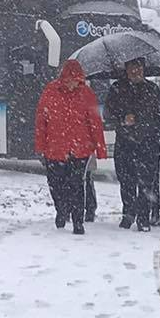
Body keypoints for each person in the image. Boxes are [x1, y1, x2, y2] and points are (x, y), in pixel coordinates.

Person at [34, 59, 107, 235]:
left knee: (77, 185)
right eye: (69, 79)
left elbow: (95, 122)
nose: (72, 84)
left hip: (80, 149)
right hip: (55, 148)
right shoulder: (51, 91)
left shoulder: (86, 93)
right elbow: (41, 121)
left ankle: (77, 221)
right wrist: (40, 146)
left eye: (75, 80)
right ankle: (61, 210)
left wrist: (100, 148)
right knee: (56, 183)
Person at [104, 57, 160, 232]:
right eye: (132, 68)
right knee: (126, 181)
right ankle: (128, 213)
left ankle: (144, 217)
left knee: (147, 183)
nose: (135, 71)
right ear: (126, 69)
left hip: (148, 144)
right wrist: (123, 120)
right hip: (125, 143)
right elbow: (108, 115)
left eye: (138, 68)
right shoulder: (117, 88)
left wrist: (156, 137)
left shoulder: (152, 89)